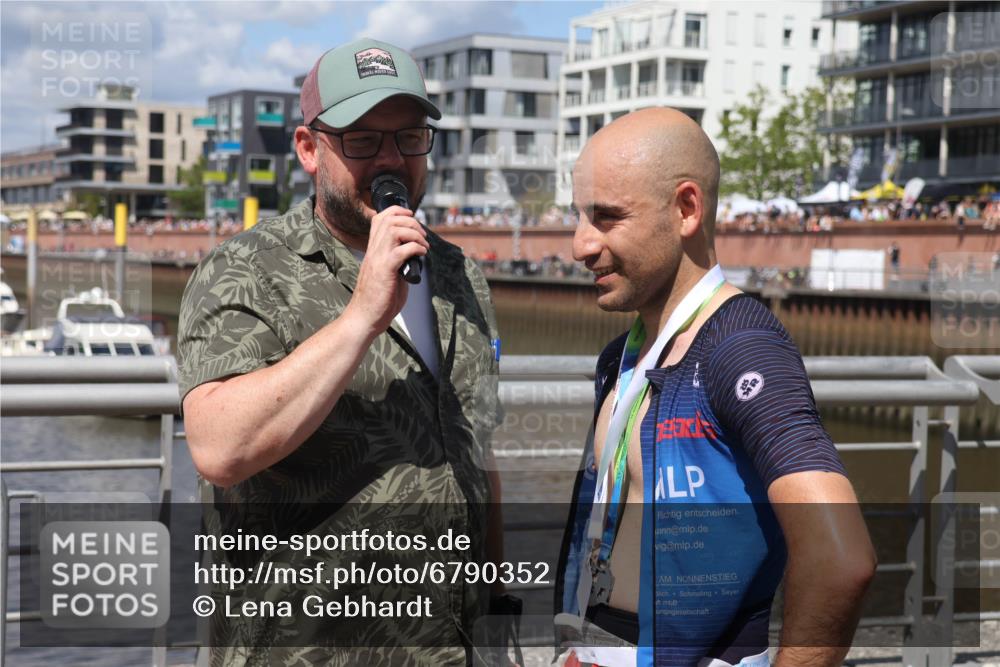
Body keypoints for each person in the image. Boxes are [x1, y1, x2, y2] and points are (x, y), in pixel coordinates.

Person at [178, 38, 508, 665]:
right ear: (309, 149)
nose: (391, 160)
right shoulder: (245, 270)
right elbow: (220, 447)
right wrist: (362, 317)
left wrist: (496, 603)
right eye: (361, 140)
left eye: (409, 137)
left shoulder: (459, 272)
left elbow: (476, 453)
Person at [555, 108, 875, 667]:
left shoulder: (742, 348)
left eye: (606, 218)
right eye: (580, 216)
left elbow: (841, 558)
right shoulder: (623, 355)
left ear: (686, 209)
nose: (580, 245)